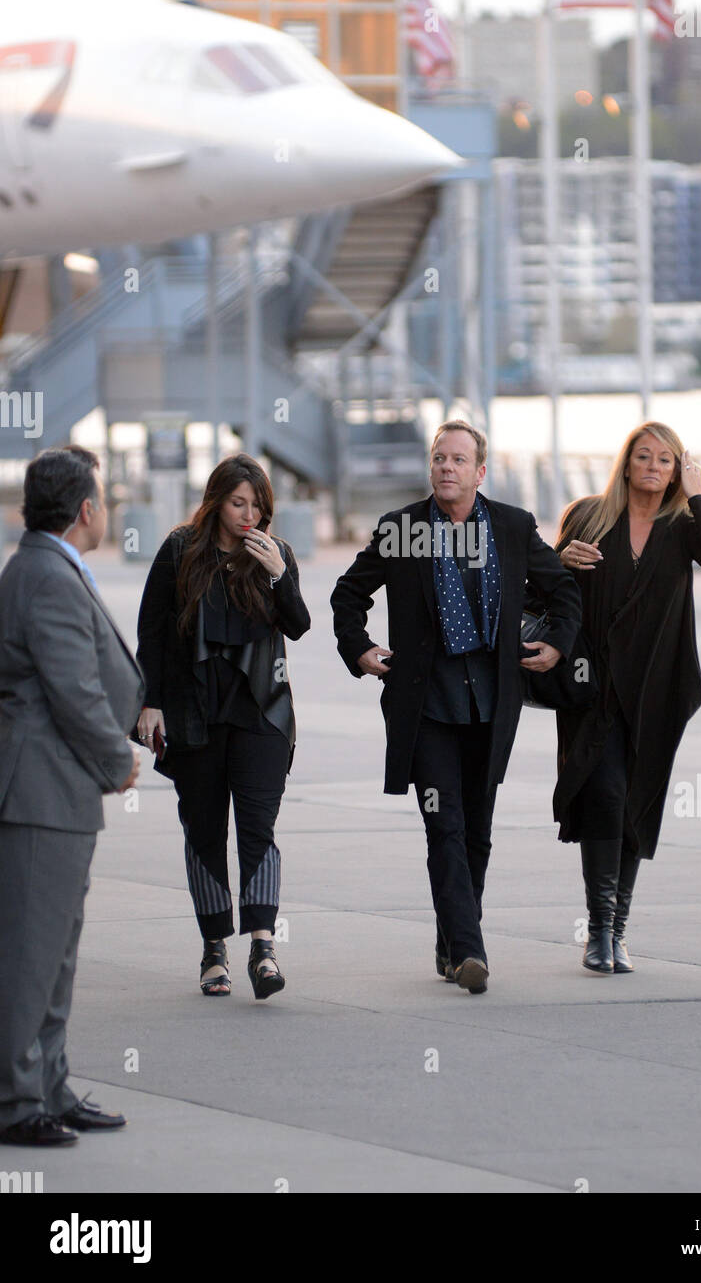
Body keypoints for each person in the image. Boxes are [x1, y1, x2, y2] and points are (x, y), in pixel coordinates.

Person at [331, 419, 581, 994]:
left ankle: (451, 944)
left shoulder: (513, 527)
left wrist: (559, 643)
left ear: (479, 472)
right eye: (439, 458)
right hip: (427, 707)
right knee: (444, 825)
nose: (446, 467)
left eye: (458, 459)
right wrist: (360, 648)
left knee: (478, 830)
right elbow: (348, 593)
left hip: (492, 704)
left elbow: (562, 588)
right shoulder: (401, 529)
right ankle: (471, 951)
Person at [554, 422, 701, 974]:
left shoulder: (683, 525)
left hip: (656, 689)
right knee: (604, 792)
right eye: (644, 457)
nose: (653, 467)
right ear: (627, 463)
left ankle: (618, 932)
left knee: (636, 800)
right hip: (594, 687)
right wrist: (560, 561)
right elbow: (542, 582)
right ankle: (598, 929)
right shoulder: (588, 514)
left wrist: (699, 492)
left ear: (677, 469)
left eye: (666, 460)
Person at [0, 446, 143, 1147]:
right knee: (30, 955)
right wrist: (117, 758)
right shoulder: (46, 575)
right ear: (86, 509)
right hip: (40, 791)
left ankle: (47, 1086)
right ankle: (13, 1101)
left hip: (56, 791)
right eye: (104, 497)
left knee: (54, 953)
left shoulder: (44, 565)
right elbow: (73, 688)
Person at [135, 453, 310, 1000]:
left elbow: (299, 625)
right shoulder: (179, 550)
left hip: (262, 712)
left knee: (258, 830)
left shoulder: (275, 554)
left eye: (257, 506)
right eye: (238, 503)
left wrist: (279, 576)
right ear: (215, 501)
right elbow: (153, 635)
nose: (248, 515)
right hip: (195, 714)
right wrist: (150, 703)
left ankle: (263, 947)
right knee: (205, 831)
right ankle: (215, 949)